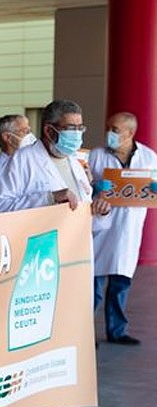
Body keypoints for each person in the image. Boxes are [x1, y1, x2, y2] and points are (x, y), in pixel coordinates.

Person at [0, 99, 109, 407]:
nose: (76, 134)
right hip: (34, 269)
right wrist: (46, 197)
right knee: (28, 351)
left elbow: (81, 217)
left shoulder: (75, 163)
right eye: (69, 127)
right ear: (50, 129)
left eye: (80, 128)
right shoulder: (22, 162)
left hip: (71, 269)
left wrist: (100, 211)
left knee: (62, 351)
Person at [89, 112, 157, 345]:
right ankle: (85, 333)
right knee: (94, 284)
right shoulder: (97, 156)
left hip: (129, 228)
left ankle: (116, 331)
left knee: (121, 282)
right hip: (102, 227)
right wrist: (95, 187)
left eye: (115, 130)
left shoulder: (148, 157)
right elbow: (83, 184)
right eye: (108, 128)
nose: (110, 133)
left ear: (130, 132)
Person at [0, 114, 34, 214]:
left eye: (29, 131)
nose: (30, 136)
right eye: (25, 131)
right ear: (7, 137)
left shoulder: (31, 163)